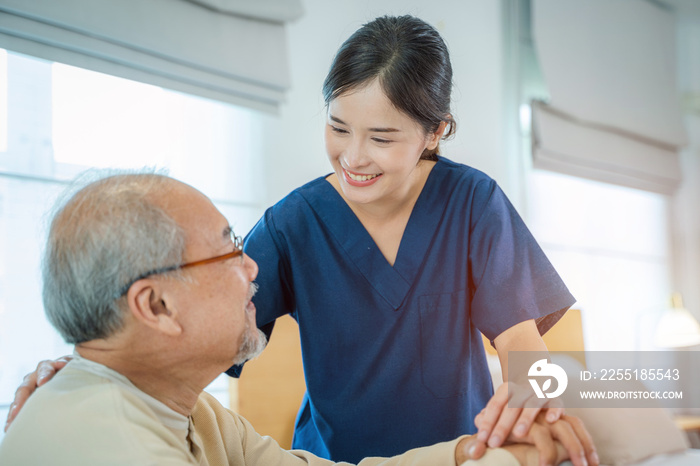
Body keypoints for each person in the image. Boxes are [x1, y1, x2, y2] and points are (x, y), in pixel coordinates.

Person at [5, 14, 598, 466]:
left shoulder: (473, 202)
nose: (354, 157)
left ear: (434, 132)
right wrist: (88, 368)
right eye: (338, 128)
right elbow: (182, 329)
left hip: (457, 445)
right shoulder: (294, 222)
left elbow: (525, 346)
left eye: (383, 138)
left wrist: (533, 399)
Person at [0, 172, 579, 466]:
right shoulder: (112, 442)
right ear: (156, 306)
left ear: (435, 132)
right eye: (229, 250)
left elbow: (526, 346)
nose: (253, 265)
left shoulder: (189, 411)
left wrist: (481, 449)